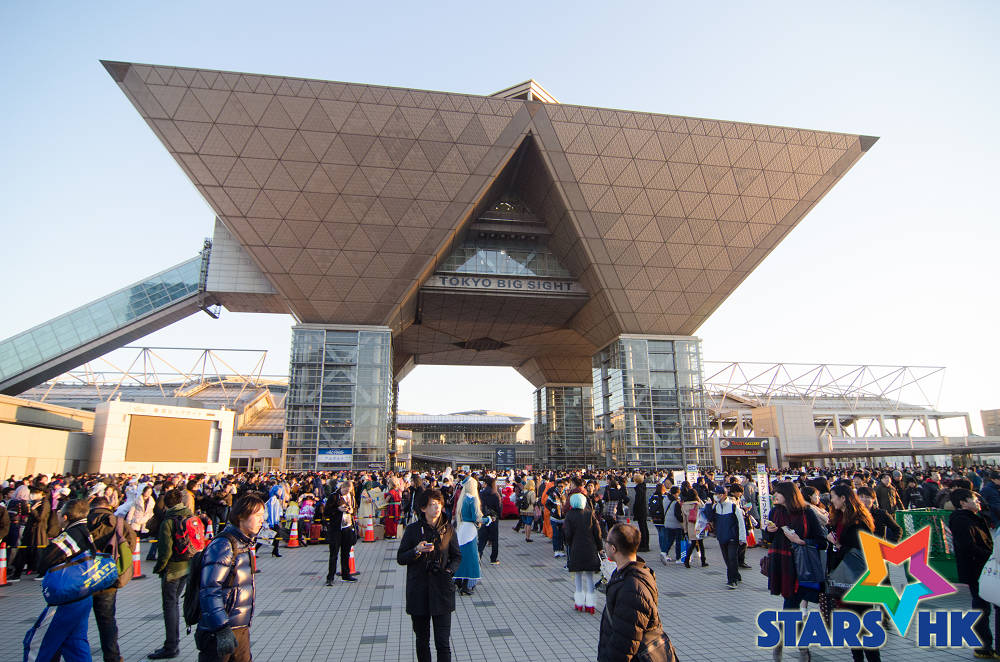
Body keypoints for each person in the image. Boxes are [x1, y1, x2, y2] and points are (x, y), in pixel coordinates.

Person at [762, 482, 828, 662]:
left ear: (789, 495)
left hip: (803, 566)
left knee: (790, 606)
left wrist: (802, 541)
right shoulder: (775, 512)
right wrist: (768, 531)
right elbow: (768, 539)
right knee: (791, 605)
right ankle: (801, 648)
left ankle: (784, 644)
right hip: (783, 566)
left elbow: (821, 541)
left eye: (778, 493)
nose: (775, 496)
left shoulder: (807, 513)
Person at [24, 499, 96, 662]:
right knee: (75, 644)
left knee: (35, 643)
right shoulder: (85, 531)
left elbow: (46, 559)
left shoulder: (71, 535)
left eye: (59, 512)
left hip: (66, 598)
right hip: (82, 595)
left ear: (65, 517)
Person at [195, 493, 264, 662]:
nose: (261, 521)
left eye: (263, 516)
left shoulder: (244, 544)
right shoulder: (224, 545)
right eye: (257, 516)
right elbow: (209, 589)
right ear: (241, 516)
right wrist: (221, 628)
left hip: (239, 627)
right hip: (220, 631)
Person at [397, 488, 462, 662]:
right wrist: (416, 550)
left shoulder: (448, 529)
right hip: (419, 591)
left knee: (443, 643)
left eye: (439, 504)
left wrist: (449, 571)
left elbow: (457, 556)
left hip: (442, 590)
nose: (437, 508)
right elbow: (400, 558)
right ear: (423, 508)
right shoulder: (412, 530)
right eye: (432, 504)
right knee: (422, 640)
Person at [597, 523, 677, 662]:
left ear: (613, 548)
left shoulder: (631, 589)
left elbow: (625, 643)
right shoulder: (632, 572)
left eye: (607, 542)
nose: (605, 545)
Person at [827, 483, 881, 662]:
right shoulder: (841, 517)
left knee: (864, 624)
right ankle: (857, 658)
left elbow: (862, 549)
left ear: (843, 498)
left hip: (859, 578)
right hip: (845, 577)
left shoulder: (858, 520)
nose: (832, 500)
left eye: (833, 496)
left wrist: (837, 544)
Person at [949, 488, 998, 659]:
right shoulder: (961, 520)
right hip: (977, 569)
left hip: (983, 568)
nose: (978, 502)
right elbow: (968, 546)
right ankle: (983, 646)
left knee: (984, 606)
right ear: (963, 503)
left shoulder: (973, 517)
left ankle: (985, 646)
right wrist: (991, 556)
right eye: (974, 499)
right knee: (981, 607)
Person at [88, 496, 137, 662]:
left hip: (85, 578)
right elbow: (131, 544)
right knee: (107, 619)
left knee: (78, 621)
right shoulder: (118, 522)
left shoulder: (82, 522)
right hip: (108, 577)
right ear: (108, 507)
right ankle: (112, 656)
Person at [148, 488, 192, 659]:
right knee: (175, 602)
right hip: (189, 565)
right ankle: (172, 643)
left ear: (166, 505)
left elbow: (165, 550)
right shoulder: (190, 517)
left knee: (170, 605)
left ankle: (171, 645)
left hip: (173, 568)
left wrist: (160, 567)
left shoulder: (168, 521)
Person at [563, 492, 603, 613]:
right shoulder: (590, 513)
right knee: (590, 577)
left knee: (578, 576)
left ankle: (579, 603)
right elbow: (598, 532)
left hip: (576, 547)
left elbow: (567, 533)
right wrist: (599, 547)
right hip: (590, 547)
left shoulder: (569, 515)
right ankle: (591, 604)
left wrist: (569, 543)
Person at [704, 485, 746, 589]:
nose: (715, 496)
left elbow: (741, 523)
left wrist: (742, 538)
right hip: (722, 536)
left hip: (733, 537)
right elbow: (710, 518)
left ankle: (732, 580)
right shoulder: (716, 507)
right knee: (727, 559)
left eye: (717, 494)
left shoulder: (733, 506)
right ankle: (736, 575)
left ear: (723, 495)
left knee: (732, 558)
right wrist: (708, 506)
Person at [454, 476, 486, 595]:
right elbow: (476, 517)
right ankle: (466, 586)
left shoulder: (462, 499)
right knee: (471, 558)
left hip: (461, 529)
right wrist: (488, 520)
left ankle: (458, 580)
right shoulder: (473, 499)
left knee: (462, 556)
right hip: (470, 531)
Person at [325, 481, 358, 585]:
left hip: (347, 527)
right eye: (345, 491)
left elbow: (355, 508)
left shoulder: (351, 497)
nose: (346, 493)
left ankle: (346, 574)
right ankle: (330, 577)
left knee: (346, 552)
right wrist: (337, 509)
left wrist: (351, 510)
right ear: (342, 487)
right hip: (336, 528)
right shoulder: (334, 496)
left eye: (349, 491)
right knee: (334, 553)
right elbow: (326, 512)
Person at [680, 483, 708, 568]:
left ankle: (686, 560)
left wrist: (685, 530)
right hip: (699, 526)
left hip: (690, 527)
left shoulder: (684, 506)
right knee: (701, 544)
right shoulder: (698, 504)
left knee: (692, 544)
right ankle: (703, 561)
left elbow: (684, 520)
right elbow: (704, 511)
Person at [477, 475, 501, 565]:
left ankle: (478, 557)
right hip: (493, 519)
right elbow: (499, 508)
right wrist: (497, 516)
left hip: (484, 518)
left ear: (486, 484)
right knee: (494, 540)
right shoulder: (495, 494)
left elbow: (479, 506)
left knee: (482, 539)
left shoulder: (481, 494)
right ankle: (493, 559)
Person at [546, 479, 567, 558]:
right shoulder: (553, 494)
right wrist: (553, 510)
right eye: (559, 486)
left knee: (562, 535)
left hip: (563, 518)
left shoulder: (566, 494)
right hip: (554, 518)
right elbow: (547, 504)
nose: (560, 488)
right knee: (555, 534)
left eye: (562, 486)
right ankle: (556, 550)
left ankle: (561, 550)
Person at [632, 473, 650, 553]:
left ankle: (644, 545)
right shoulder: (643, 487)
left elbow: (637, 502)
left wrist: (635, 511)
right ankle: (645, 544)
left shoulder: (639, 489)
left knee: (642, 528)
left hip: (640, 511)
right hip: (643, 510)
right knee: (644, 527)